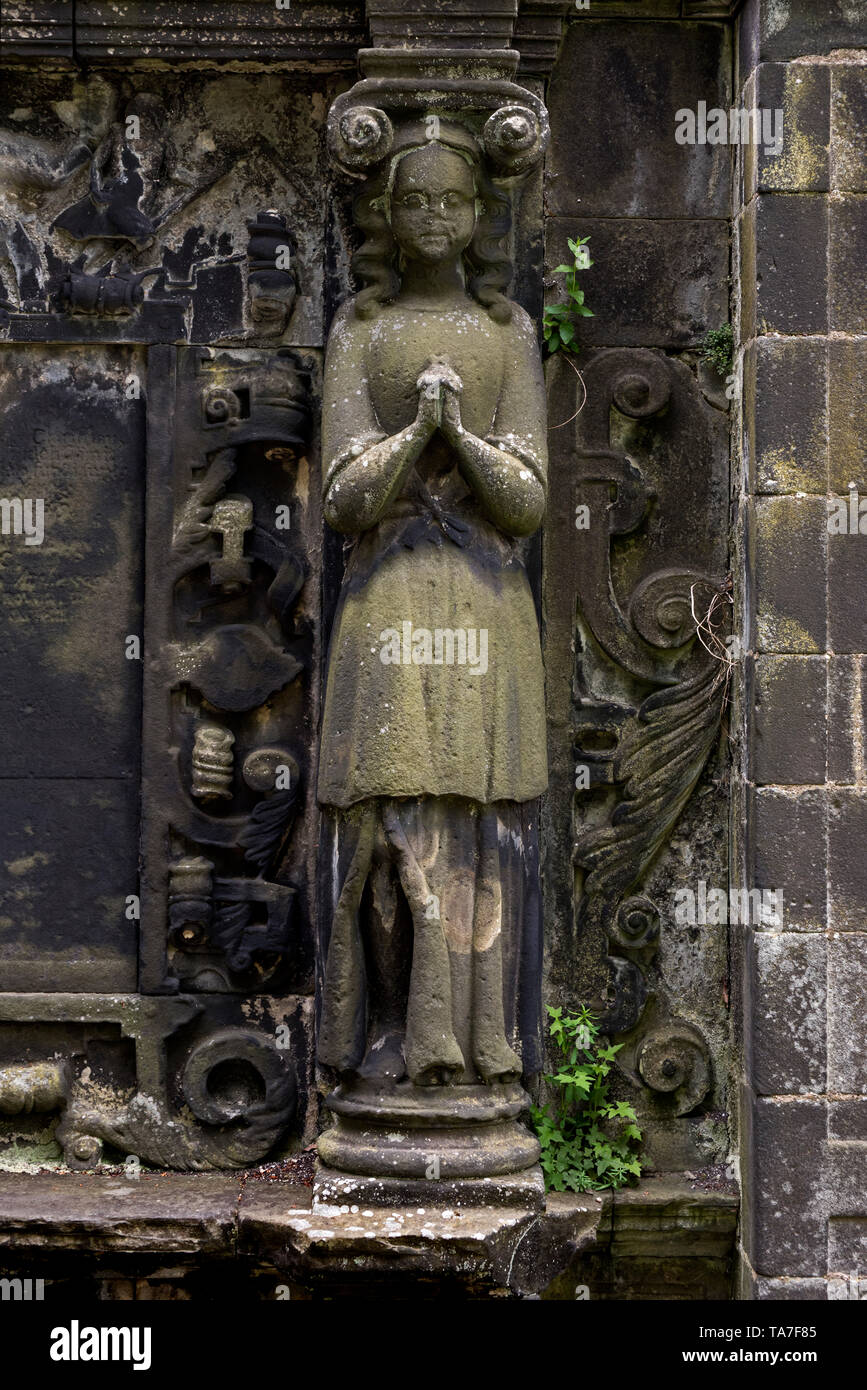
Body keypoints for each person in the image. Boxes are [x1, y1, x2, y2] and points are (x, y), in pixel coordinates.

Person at [317, 123, 548, 1094]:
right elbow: (340, 499)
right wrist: (416, 432)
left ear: (481, 214)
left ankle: (482, 1034)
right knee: (392, 823)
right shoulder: (361, 333)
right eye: (416, 199)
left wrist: (464, 434)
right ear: (388, 214)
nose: (436, 216)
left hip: (487, 600)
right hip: (389, 595)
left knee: (483, 818)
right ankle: (392, 1035)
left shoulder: (508, 335)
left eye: (455, 200)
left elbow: (530, 498)